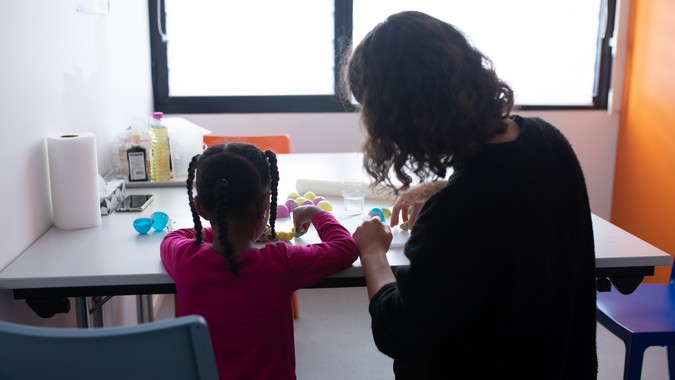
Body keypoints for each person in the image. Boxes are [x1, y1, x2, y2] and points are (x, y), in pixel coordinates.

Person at [344, 11, 597, 379]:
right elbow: (512, 205)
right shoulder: (547, 140)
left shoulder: (458, 211)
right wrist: (446, 186)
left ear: (398, 119)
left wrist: (372, 252)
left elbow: (398, 331)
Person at [160, 142, 359, 380]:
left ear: (200, 207)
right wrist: (318, 214)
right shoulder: (278, 262)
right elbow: (346, 247)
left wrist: (221, 227)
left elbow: (173, 237)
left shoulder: (186, 258)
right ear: (266, 204)